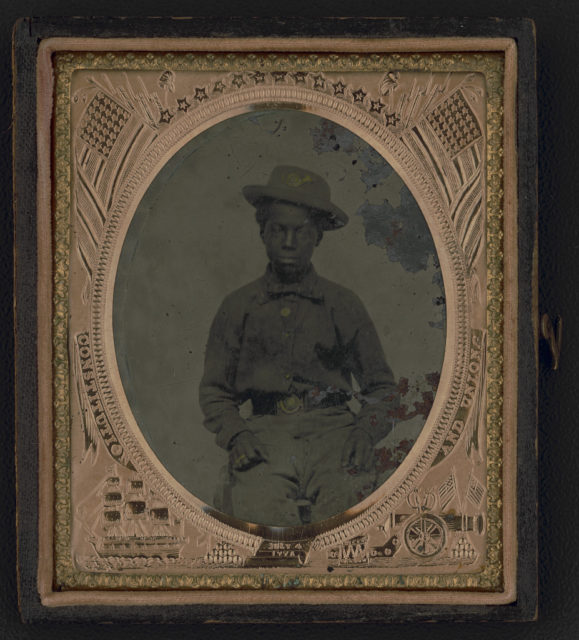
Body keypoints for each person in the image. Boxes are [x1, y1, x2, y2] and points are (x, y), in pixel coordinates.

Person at [199, 165, 398, 527]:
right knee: (263, 523)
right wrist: (237, 435)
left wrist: (365, 431)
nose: (289, 242)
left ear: (318, 237)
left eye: (301, 232)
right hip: (265, 438)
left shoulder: (343, 304)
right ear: (262, 232)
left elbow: (381, 387)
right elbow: (215, 391)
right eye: (278, 230)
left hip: (335, 435)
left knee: (348, 520)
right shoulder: (238, 307)